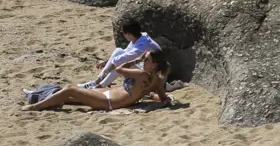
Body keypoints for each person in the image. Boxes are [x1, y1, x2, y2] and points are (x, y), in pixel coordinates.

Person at [24, 50, 171, 112]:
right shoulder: (157, 80)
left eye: (147, 60)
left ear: (155, 64)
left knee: (70, 89)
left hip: (109, 101)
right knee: (71, 96)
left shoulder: (140, 73)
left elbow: (119, 69)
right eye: (144, 59)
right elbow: (163, 98)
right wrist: (149, 96)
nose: (144, 62)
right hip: (109, 94)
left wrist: (136, 59)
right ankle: (37, 95)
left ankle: (36, 106)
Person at [81, 20, 159, 89]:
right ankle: (97, 82)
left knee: (120, 65)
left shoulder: (141, 46)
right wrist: (106, 62)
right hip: (142, 66)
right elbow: (124, 53)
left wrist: (107, 70)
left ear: (129, 34)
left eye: (124, 33)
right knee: (118, 51)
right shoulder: (139, 37)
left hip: (150, 73)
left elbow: (124, 58)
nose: (123, 35)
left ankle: (99, 86)